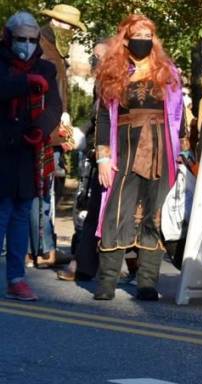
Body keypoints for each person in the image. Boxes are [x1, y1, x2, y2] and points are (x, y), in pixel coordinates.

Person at [93, 14, 187, 301]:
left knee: (155, 214)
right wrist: (103, 158)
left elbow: (179, 116)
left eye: (148, 37)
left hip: (162, 151)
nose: (143, 42)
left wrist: (182, 153)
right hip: (125, 149)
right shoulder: (114, 72)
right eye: (138, 36)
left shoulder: (168, 72)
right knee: (116, 211)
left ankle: (147, 282)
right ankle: (107, 282)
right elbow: (104, 119)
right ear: (126, 38)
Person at [0, 11, 62, 300]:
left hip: (27, 148)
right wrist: (24, 83)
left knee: (22, 213)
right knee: (2, 212)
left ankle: (16, 277)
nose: (25, 44)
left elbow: (54, 106)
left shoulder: (46, 68)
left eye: (31, 39)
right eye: (20, 38)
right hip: (2, 147)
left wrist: (41, 129)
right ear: (9, 37)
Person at [29, 4, 86, 268]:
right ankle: (40, 250)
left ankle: (43, 247)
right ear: (57, 23)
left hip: (50, 129)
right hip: (43, 130)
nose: (72, 32)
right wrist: (59, 120)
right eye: (69, 26)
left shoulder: (54, 47)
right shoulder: (42, 45)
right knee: (40, 191)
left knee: (44, 190)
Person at [57, 40, 108, 282]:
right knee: (89, 209)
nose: (93, 62)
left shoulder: (115, 82)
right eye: (93, 57)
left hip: (111, 156)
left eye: (98, 57)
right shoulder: (101, 82)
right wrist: (81, 134)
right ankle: (83, 262)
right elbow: (95, 118)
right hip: (98, 155)